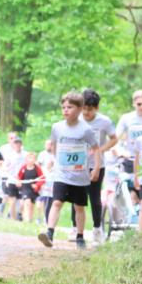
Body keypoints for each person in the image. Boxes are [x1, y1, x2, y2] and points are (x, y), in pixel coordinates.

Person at [39, 92, 101, 249]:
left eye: (70, 107)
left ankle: (80, 237)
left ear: (80, 109)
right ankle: (49, 233)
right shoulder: (57, 127)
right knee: (57, 202)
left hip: (80, 176)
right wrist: (55, 160)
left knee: (79, 207)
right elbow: (53, 144)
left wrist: (96, 168)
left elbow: (96, 148)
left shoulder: (86, 130)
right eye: (63, 107)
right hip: (62, 174)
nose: (66, 110)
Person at [71, 88, 118, 243]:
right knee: (76, 196)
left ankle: (97, 229)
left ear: (96, 108)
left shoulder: (104, 121)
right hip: (78, 163)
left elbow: (114, 139)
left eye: (89, 110)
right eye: (83, 108)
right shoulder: (76, 119)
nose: (86, 112)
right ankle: (75, 228)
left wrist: (100, 150)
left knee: (95, 198)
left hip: (97, 165)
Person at [2, 135, 26, 221]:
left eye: (19, 143)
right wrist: (9, 169)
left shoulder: (25, 154)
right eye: (16, 143)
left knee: (22, 202)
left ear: (21, 144)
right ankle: (13, 219)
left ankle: (21, 215)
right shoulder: (9, 155)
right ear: (13, 144)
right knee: (12, 201)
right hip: (12, 180)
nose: (17, 145)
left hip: (22, 181)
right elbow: (4, 168)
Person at [16, 152, 45, 224]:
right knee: (27, 202)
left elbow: (43, 178)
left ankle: (30, 220)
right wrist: (18, 182)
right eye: (29, 158)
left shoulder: (37, 168)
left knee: (32, 205)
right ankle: (27, 219)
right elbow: (18, 177)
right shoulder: (23, 168)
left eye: (33, 158)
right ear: (26, 159)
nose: (31, 160)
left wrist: (37, 185)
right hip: (25, 188)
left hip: (34, 190)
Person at [36, 138, 56, 223]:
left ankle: (46, 217)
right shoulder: (42, 154)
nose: (49, 146)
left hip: (52, 180)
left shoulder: (56, 155)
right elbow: (38, 166)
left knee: (50, 200)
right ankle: (38, 217)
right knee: (41, 199)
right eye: (47, 144)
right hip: (44, 179)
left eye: (51, 144)